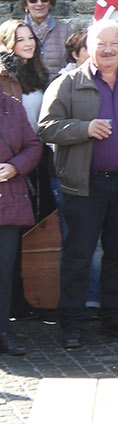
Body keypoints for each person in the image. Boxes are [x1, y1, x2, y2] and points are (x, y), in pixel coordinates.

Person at [39, 20, 118, 348]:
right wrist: (84, 128)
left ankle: (114, 318)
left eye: (114, 44)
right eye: (101, 44)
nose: (108, 50)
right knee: (79, 254)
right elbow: (46, 128)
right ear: (88, 47)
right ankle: (73, 322)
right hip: (84, 185)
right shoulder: (67, 84)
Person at [0, 74, 40, 354]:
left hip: (8, 202)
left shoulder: (12, 107)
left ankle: (3, 331)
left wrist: (15, 167)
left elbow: (33, 146)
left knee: (3, 273)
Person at [20, 0, 72, 79]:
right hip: (25, 92)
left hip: (57, 91)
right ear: (26, 4)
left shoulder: (65, 31)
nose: (39, 4)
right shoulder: (16, 31)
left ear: (50, 3)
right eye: (33, 0)